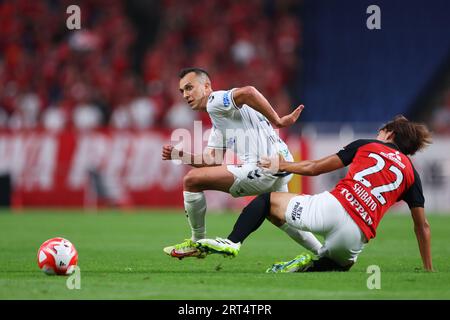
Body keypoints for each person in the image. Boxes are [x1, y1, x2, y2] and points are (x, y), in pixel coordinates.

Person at [196, 115, 434, 273]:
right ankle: (311, 266)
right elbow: (422, 227)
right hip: (355, 235)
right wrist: (428, 269)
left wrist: (283, 166)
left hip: (331, 207)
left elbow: (315, 168)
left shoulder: (367, 144)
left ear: (390, 134)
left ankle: (232, 242)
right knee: (343, 264)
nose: (379, 132)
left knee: (267, 200)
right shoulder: (412, 173)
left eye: (382, 130)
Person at [162, 67, 323, 259]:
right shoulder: (220, 120)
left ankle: (197, 241)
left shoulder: (215, 102)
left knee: (192, 180)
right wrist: (181, 155)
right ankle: (323, 252)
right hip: (280, 164)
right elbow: (211, 160)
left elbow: (249, 92)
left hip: (263, 167)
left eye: (189, 88)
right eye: (182, 91)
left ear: (206, 86)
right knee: (278, 215)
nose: (185, 95)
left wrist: (278, 121)